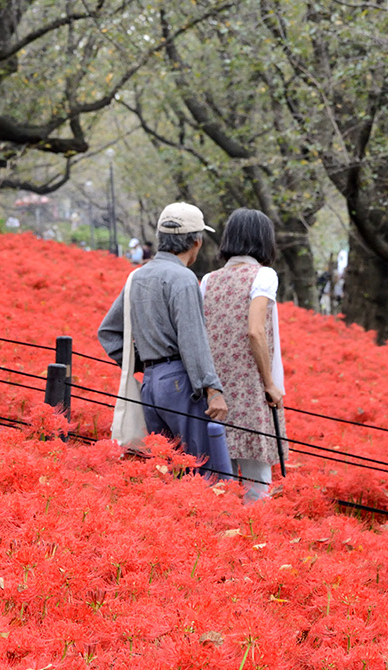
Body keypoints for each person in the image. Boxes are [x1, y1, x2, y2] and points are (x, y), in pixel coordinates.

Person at [97, 202, 230, 477]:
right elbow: (193, 340)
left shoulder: (137, 276)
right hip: (181, 382)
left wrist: (143, 365)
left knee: (166, 468)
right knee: (199, 465)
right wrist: (213, 390)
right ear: (196, 241)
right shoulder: (183, 278)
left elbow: (108, 331)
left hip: (151, 384)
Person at [199, 208, 286, 503]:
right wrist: (270, 383)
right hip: (251, 390)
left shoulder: (208, 280)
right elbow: (255, 331)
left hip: (215, 392)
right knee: (255, 484)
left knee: (218, 479)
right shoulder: (264, 276)